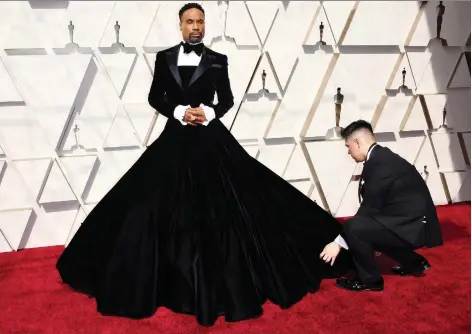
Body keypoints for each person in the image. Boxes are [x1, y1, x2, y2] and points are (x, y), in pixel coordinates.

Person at [56, 3, 349, 326]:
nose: (196, 27)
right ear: (180, 25)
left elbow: (226, 99)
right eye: (190, 22)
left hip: (211, 138)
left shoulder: (217, 60)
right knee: (144, 202)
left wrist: (207, 113)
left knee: (247, 196)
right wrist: (181, 112)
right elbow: (156, 97)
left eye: (200, 21)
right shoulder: (164, 57)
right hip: (175, 138)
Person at [319, 120, 443, 292]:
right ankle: (414, 262)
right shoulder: (381, 157)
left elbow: (369, 208)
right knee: (373, 228)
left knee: (354, 227)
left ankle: (370, 281)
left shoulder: (380, 164)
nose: (349, 152)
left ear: (357, 142)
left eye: (348, 146)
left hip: (414, 226)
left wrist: (337, 243)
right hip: (408, 221)